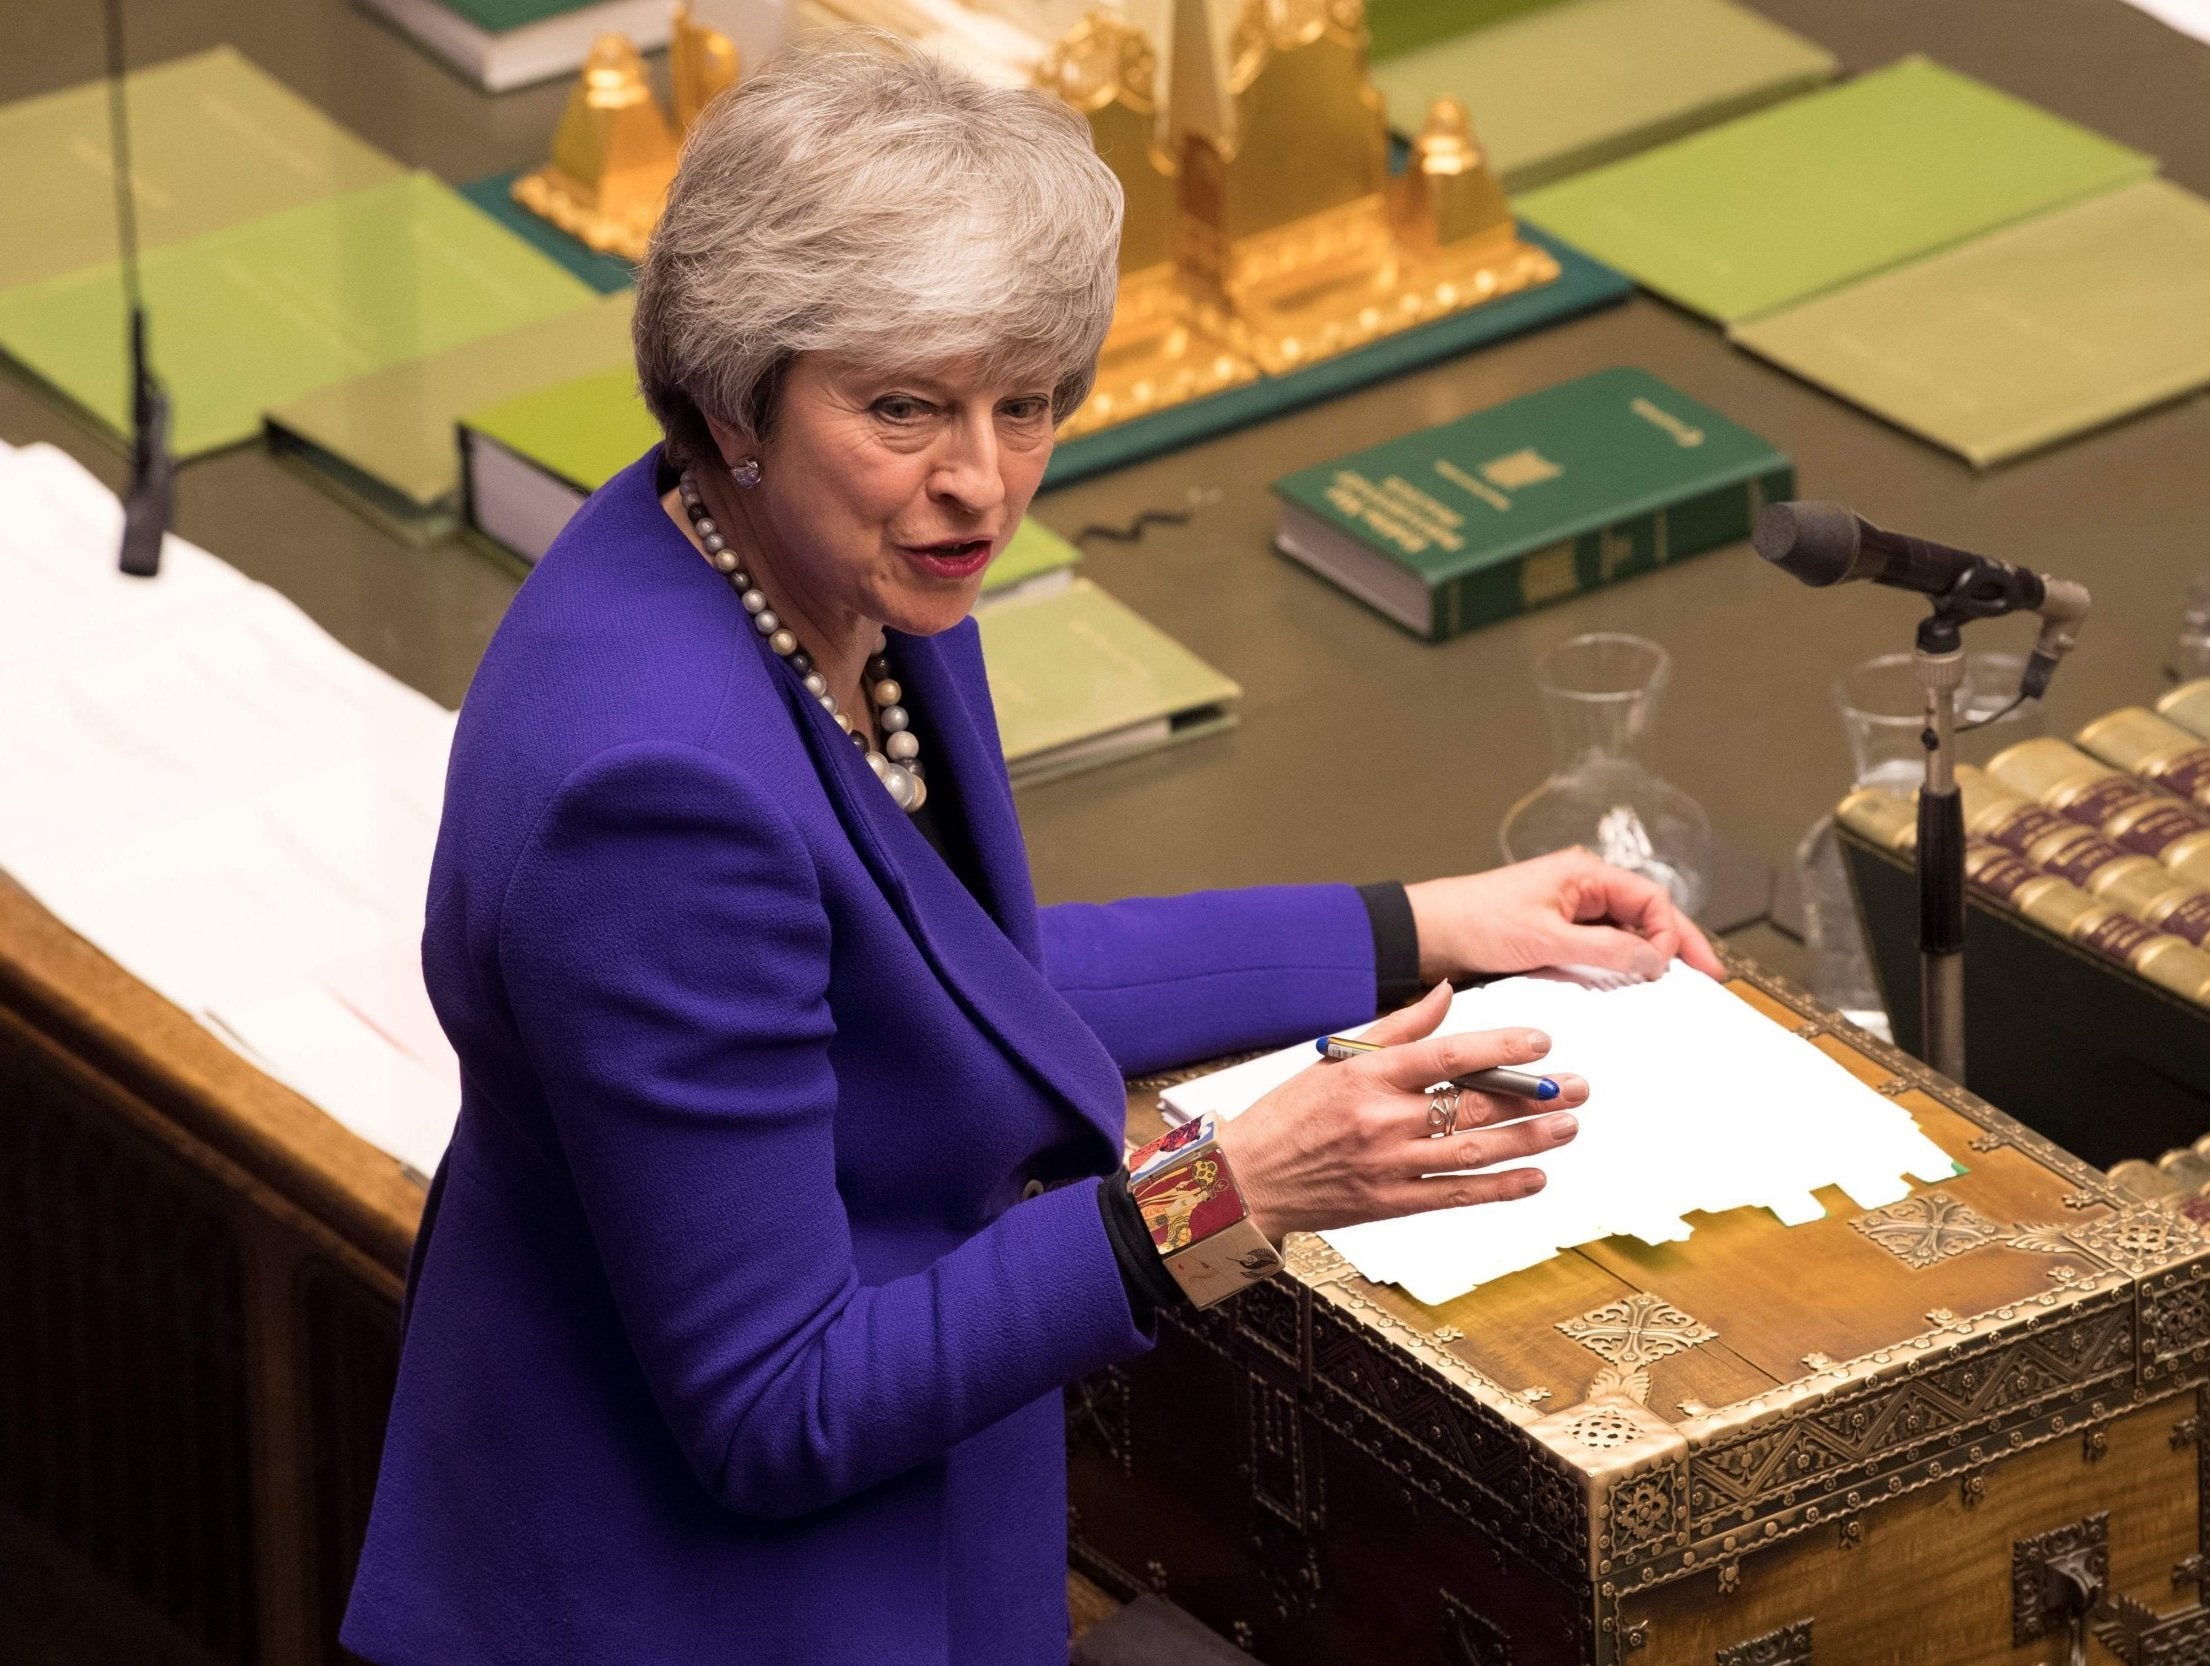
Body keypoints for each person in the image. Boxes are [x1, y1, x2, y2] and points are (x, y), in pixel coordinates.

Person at [341, 32, 1722, 1666]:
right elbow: (775, 1409)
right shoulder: (652, 800)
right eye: (903, 405)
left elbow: (940, 980)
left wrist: (1422, 921)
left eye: (1028, 402)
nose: (980, 483)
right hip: (697, 1605)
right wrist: (1228, 1193)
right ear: (735, 391)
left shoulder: (813, 558)